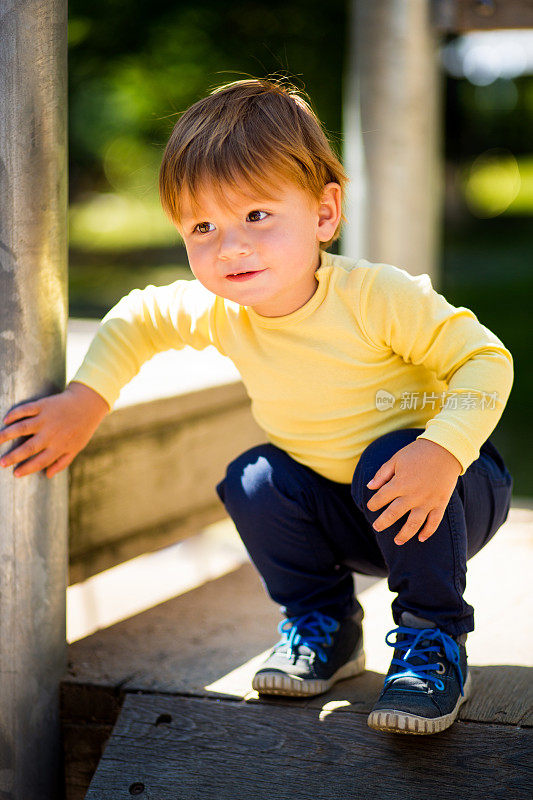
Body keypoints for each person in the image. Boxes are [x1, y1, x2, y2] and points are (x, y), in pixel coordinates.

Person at [0, 77, 514, 735]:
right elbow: (138, 320)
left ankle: (432, 639)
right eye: (203, 226)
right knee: (254, 478)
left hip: (449, 491)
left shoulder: (375, 297)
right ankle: (322, 624)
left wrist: (442, 449)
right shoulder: (219, 310)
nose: (229, 247)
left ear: (324, 215)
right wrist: (86, 398)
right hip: (346, 512)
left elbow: (484, 359)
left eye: (256, 216)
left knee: (386, 454)